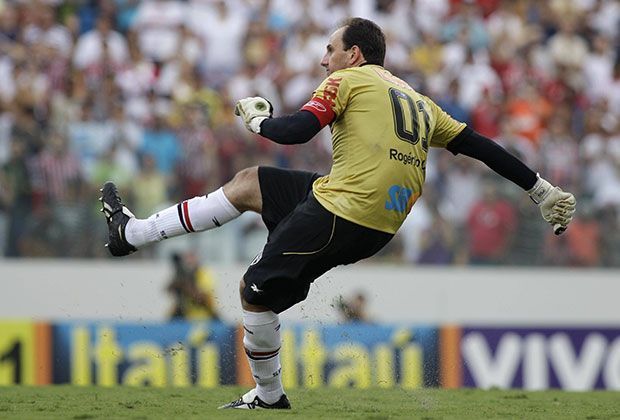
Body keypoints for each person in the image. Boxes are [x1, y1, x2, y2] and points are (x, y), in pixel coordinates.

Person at [100, 18, 576, 409]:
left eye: (330, 49)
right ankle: (132, 233)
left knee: (253, 292)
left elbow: (297, 132)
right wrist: (539, 188)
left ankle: (269, 397)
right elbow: (482, 147)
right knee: (250, 183)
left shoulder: (345, 80)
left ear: (354, 54)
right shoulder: (419, 100)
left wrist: (258, 120)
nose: (323, 59)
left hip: (343, 211)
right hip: (368, 215)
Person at [167, 251, 220, 320]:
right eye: (187, 260)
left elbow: (203, 297)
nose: (189, 262)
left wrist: (185, 286)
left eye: (192, 259)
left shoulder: (204, 274)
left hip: (204, 317)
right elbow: (168, 289)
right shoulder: (183, 275)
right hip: (186, 316)